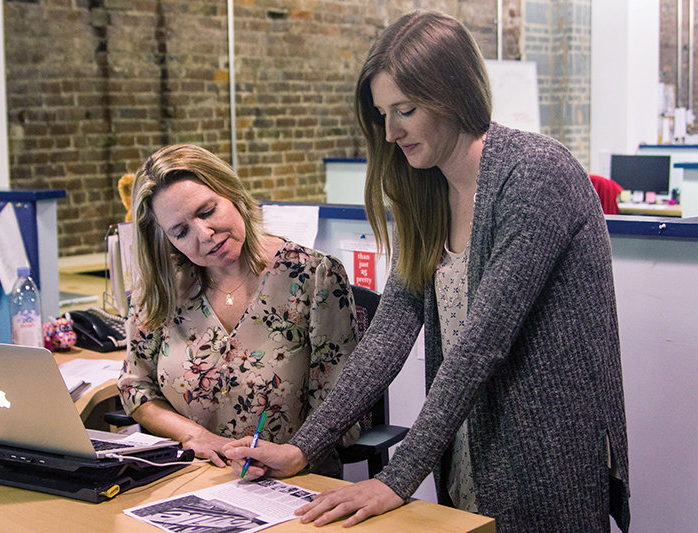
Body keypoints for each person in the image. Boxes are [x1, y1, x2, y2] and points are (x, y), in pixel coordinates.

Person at [223, 11, 630, 532]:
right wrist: (304, 447)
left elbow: (482, 343)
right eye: (382, 114)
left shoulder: (535, 175)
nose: (391, 132)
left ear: (453, 95)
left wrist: (397, 477)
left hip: (544, 453)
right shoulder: (429, 189)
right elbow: (389, 333)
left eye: (406, 110)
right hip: (466, 446)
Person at [117, 144, 359, 473]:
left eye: (206, 211)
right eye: (182, 232)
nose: (204, 235)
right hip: (191, 476)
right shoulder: (162, 288)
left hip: (291, 479)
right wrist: (196, 437)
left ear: (231, 192)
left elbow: (341, 404)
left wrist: (293, 455)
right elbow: (136, 386)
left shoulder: (312, 276)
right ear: (167, 240)